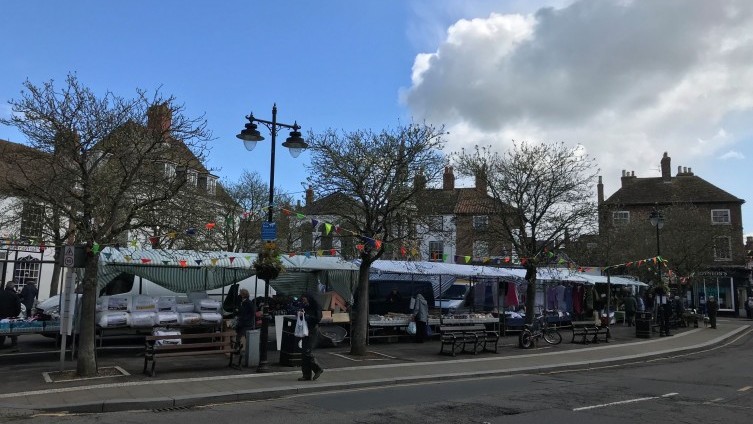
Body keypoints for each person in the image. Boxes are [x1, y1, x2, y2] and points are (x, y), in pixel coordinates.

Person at [298, 293, 324, 381]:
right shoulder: (305, 306)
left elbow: (318, 318)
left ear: (308, 298)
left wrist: (306, 316)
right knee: (304, 353)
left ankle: (317, 368)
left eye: (304, 299)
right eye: (302, 299)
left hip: (312, 330)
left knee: (307, 352)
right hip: (306, 329)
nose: (303, 301)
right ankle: (306, 375)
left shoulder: (315, 306)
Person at [235, 289, 256, 358]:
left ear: (243, 295)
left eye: (240, 293)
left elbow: (252, 312)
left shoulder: (248, 303)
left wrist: (245, 318)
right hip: (243, 322)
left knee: (241, 336)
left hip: (246, 323)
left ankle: (239, 350)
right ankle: (237, 349)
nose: (239, 294)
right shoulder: (243, 302)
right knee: (239, 336)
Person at [0, 282, 22, 350]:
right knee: (13, 330)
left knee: (2, 330)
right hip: (11, 316)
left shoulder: (1, 293)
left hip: (1, 315)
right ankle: (14, 345)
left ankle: (1, 344)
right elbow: (18, 307)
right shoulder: (14, 295)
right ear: (13, 287)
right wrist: (16, 314)